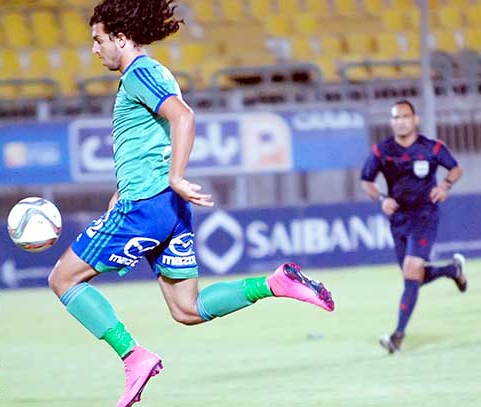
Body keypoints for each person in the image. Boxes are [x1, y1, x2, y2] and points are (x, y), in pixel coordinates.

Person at [47, 2, 335, 406]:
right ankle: (275, 283)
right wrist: (127, 189)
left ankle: (133, 357)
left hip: (147, 206)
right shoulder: (155, 72)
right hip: (166, 207)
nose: (95, 49)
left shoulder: (139, 73)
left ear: (121, 38)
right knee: (187, 309)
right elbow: (152, 141)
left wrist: (176, 177)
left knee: (62, 279)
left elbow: (183, 117)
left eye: (98, 40)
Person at [360, 100, 466, 355]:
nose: (401, 121)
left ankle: (397, 337)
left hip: (424, 215)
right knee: (413, 277)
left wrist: (444, 186)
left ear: (415, 119)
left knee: (411, 270)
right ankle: (452, 269)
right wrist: (382, 198)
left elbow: (456, 168)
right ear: (391, 122)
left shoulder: (431, 147)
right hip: (398, 219)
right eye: (396, 117)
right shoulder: (382, 150)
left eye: (405, 116)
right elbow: (366, 180)